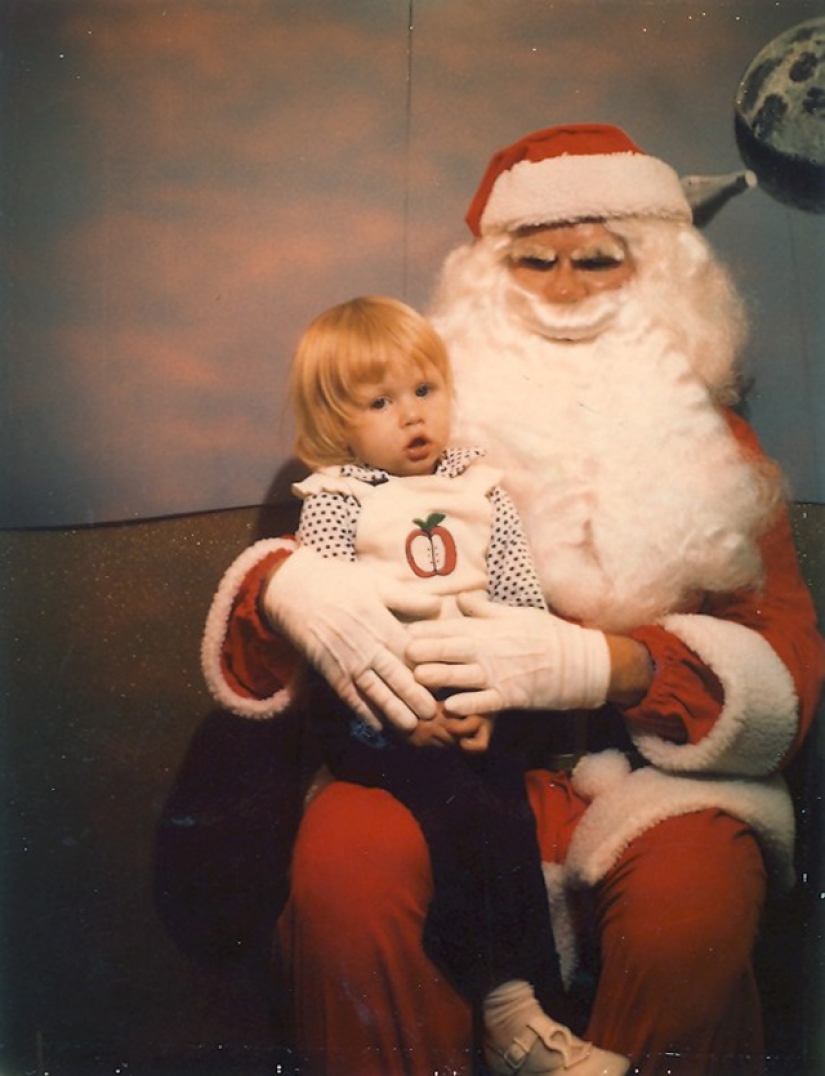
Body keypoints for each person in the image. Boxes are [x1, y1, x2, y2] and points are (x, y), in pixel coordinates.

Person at [201, 124, 825, 1076]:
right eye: (535, 262)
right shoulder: (421, 417)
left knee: (688, 901)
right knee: (345, 867)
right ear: (491, 278)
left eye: (598, 260)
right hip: (438, 751)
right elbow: (307, 580)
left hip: (649, 775)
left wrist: (606, 664)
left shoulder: (723, 453)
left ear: (659, 275)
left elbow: (785, 674)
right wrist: (288, 585)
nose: (565, 290)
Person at [284, 293, 628, 1076]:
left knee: (502, 806)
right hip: (377, 706)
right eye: (380, 402)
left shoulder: (479, 491)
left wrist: (496, 698)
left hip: (477, 692)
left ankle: (535, 1012)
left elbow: (519, 605)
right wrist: (402, 717)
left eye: (424, 390)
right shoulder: (338, 502)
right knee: (462, 807)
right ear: (337, 424)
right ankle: (506, 1009)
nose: (412, 415)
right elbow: (329, 628)